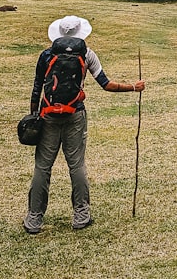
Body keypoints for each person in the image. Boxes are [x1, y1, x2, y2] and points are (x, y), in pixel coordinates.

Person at [22, 15, 145, 234]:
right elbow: (106, 85)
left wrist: (34, 116)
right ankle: (81, 215)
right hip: (75, 115)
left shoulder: (46, 55)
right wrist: (133, 87)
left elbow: (36, 87)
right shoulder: (87, 55)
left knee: (43, 167)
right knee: (76, 165)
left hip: (47, 115)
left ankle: (34, 219)